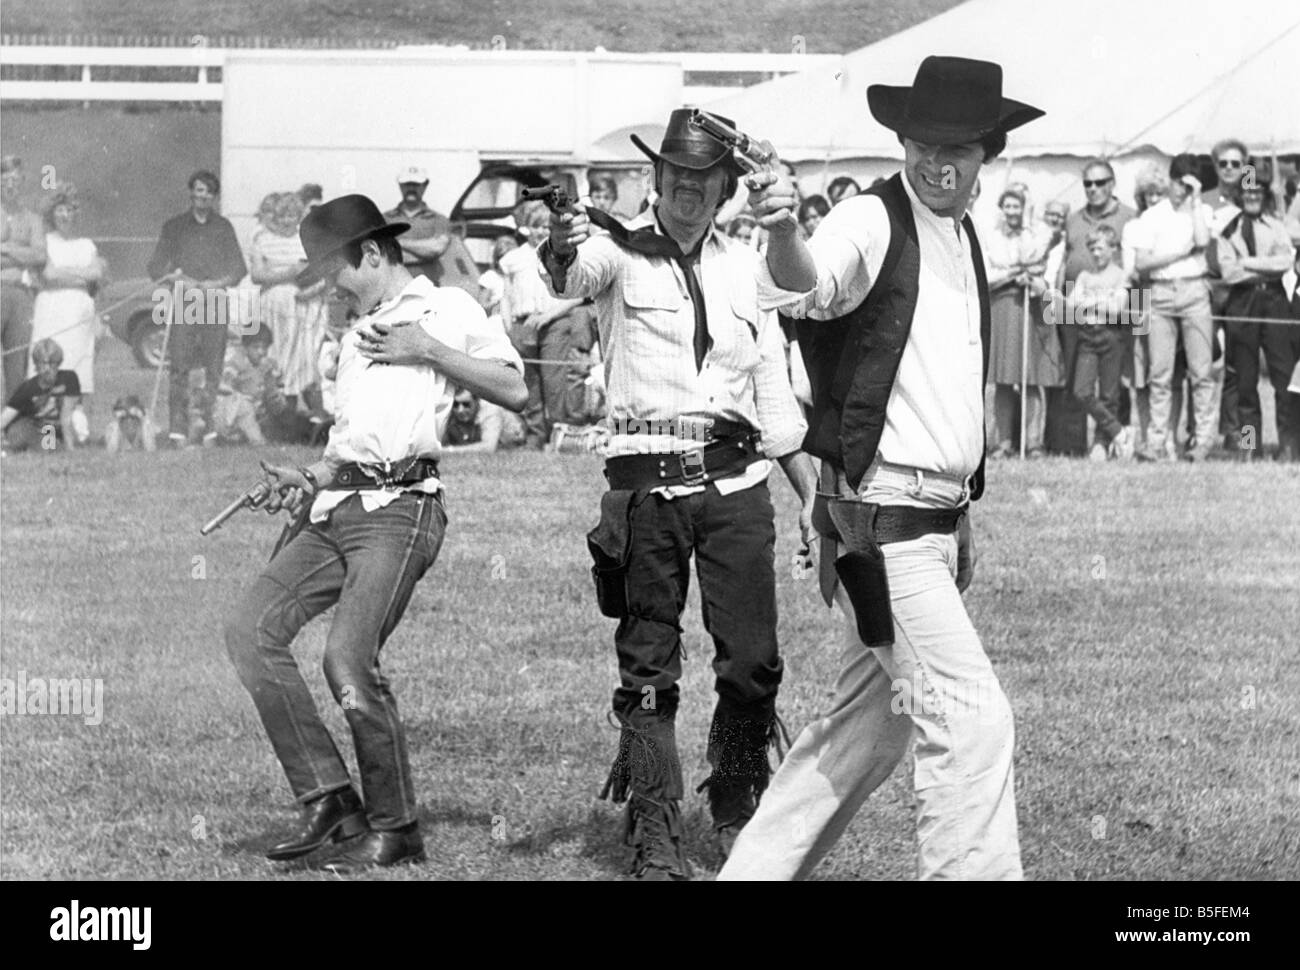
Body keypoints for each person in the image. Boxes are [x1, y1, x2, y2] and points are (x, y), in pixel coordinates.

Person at [727, 54, 1043, 881]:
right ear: (900, 141)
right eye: (923, 144)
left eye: (960, 150)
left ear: (988, 154)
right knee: (972, 720)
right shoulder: (870, 220)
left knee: (866, 731)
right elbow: (810, 285)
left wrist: (959, 514)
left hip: (931, 524)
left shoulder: (963, 232)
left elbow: (936, 396)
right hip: (883, 527)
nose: (939, 163)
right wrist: (782, 225)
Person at [539, 107, 818, 880]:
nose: (689, 190)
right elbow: (571, 270)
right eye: (675, 176)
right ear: (654, 180)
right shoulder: (616, 252)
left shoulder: (745, 264)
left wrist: (807, 494)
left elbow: (771, 373)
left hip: (736, 485)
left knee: (753, 663)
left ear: (726, 188)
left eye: (705, 178)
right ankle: (653, 832)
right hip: (646, 488)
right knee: (650, 670)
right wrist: (559, 243)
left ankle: (737, 805)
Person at [224, 194, 527, 873]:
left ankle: (397, 828)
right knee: (248, 627)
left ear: (369, 253)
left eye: (334, 270)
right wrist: (307, 477)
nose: (329, 286)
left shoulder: (443, 306)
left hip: (401, 508)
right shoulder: (357, 329)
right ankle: (329, 797)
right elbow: (349, 441)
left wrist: (429, 349)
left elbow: (515, 389)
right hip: (337, 506)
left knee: (347, 661)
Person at [147, 170, 248, 447]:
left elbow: (238, 269)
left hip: (214, 300)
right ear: (191, 192)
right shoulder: (174, 226)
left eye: (207, 191)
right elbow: (155, 267)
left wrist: (216, 284)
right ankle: (178, 431)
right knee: (179, 365)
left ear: (214, 196)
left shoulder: (223, 227)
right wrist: (178, 279)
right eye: (197, 190)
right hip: (185, 301)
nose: (201, 196)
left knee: (214, 367)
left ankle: (209, 430)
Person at [1129, 154, 1216, 462]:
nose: (1181, 190)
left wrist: (1194, 202)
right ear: (1171, 180)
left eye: (1189, 185)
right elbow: (1142, 263)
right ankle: (1156, 441)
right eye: (1179, 183)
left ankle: (1202, 441)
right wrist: (1179, 252)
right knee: (1160, 373)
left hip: (1194, 290)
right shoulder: (1152, 216)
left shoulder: (1202, 210)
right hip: (1161, 292)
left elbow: (1203, 241)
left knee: (1201, 371)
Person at [1047, 158, 1136, 456]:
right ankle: (1073, 446)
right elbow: (1061, 263)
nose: (1093, 188)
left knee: (1113, 382)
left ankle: (1105, 440)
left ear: (1112, 184)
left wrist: (1135, 317)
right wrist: (1057, 306)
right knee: (1074, 378)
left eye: (1100, 183)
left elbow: (1136, 271)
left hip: (1116, 306)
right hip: (1076, 305)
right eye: (1088, 183)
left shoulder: (1129, 217)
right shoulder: (1073, 219)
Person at [1215, 177, 1300, 461]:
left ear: (1264, 194)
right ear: (1239, 195)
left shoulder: (1276, 227)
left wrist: (1248, 263)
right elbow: (1229, 273)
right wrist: (1265, 268)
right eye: (1246, 191)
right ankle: (1251, 445)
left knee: (1283, 378)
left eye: (1257, 191)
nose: (1252, 196)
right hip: (1242, 304)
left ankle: (1289, 445)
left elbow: (1284, 264)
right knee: (1246, 383)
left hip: (1274, 302)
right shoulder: (1228, 231)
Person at [500, 202, 596, 444]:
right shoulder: (514, 259)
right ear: (526, 229)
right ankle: (535, 436)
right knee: (528, 383)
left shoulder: (562, 254)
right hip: (524, 323)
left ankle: (558, 435)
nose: (541, 232)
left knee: (554, 382)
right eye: (536, 226)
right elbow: (506, 296)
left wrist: (547, 317)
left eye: (546, 227)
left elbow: (578, 295)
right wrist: (509, 328)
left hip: (554, 321)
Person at [985, 186, 1060, 457]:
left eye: (1018, 206)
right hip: (1003, 305)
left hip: (1032, 303)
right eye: (1008, 206)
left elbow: (1034, 259)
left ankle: (1033, 442)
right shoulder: (993, 235)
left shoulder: (1038, 232)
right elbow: (990, 272)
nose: (1012, 212)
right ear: (1002, 208)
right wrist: (1012, 272)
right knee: (1004, 378)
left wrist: (1024, 267)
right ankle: (1003, 442)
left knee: (1030, 376)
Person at [248, 192, 328, 409]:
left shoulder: (307, 239)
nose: (286, 220)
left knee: (300, 355)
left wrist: (309, 289)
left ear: (299, 216)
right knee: (275, 353)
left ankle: (304, 407)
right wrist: (291, 272)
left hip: (299, 304)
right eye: (282, 216)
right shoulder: (262, 238)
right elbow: (257, 275)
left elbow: (325, 274)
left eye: (292, 215)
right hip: (271, 304)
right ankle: (276, 408)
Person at [30, 189, 105, 407]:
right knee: (48, 363)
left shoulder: (87, 244)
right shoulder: (45, 241)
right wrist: (82, 276)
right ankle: (48, 426)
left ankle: (74, 421)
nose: (65, 215)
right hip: (52, 310)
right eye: (59, 210)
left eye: (69, 210)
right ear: (51, 214)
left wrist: (66, 274)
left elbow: (97, 274)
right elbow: (49, 275)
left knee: (76, 363)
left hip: (80, 313)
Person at [384, 165, 478, 297]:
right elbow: (381, 253)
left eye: (416, 184)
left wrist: (398, 243)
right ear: (400, 186)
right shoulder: (384, 219)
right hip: (391, 289)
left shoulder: (439, 220)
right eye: (407, 184)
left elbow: (436, 249)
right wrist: (423, 249)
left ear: (425, 186)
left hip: (427, 288)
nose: (411, 189)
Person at [1, 156, 47, 400]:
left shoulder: (32, 219)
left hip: (20, 295)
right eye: (5, 179)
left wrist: (6, 249)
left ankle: (13, 429)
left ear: (22, 183)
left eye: (15, 180)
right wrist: (22, 253)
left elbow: (40, 256)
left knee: (17, 364)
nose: (10, 185)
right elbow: (30, 254)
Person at [1, 337, 86, 451]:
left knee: (77, 418)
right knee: (46, 446)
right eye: (43, 364)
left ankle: (65, 442)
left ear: (59, 363)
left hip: (61, 423)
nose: (47, 369)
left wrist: (70, 448)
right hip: (36, 426)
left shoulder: (69, 378)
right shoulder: (27, 388)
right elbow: (5, 418)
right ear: (36, 365)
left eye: (52, 364)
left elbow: (67, 415)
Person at [214, 328, 288, 446]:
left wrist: (276, 395)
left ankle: (259, 438)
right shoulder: (236, 362)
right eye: (256, 347)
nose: (260, 352)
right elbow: (222, 387)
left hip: (257, 414)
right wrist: (242, 398)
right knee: (243, 405)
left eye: (264, 348)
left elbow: (272, 395)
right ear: (245, 347)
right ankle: (256, 441)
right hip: (233, 415)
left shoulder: (268, 365)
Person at [440, 386, 505, 452]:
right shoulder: (448, 411)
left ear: (477, 401)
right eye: (455, 404)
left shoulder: (490, 411)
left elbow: (488, 447)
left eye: (466, 404)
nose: (460, 410)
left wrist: (450, 450)